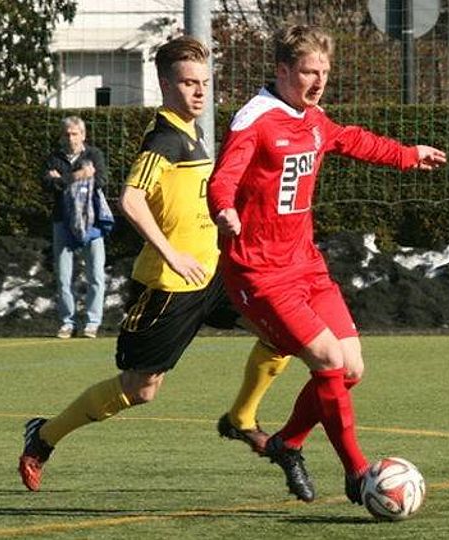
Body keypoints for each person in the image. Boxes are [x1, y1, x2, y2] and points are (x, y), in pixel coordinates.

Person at [17, 36, 288, 491]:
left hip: (216, 275)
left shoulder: (193, 131)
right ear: (166, 85)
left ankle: (242, 417)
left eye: (204, 82)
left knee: (281, 332)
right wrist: (172, 254)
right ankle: (44, 436)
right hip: (167, 287)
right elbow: (130, 199)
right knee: (141, 390)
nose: (199, 92)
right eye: (188, 83)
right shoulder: (164, 138)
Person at [207, 25, 447, 504]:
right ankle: (358, 472)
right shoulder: (254, 119)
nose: (317, 82)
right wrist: (223, 209)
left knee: (351, 368)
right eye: (307, 72)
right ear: (281, 71)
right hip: (258, 273)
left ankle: (287, 442)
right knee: (329, 361)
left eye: (324, 72)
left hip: (305, 267)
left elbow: (351, 140)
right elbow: (223, 177)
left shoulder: (312, 117)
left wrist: (406, 155)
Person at [43, 116, 110, 339]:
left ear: (83, 135)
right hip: (62, 220)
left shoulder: (94, 155)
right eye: (67, 134)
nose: (71, 138)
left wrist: (63, 179)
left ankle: (92, 322)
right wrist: (78, 175)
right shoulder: (54, 158)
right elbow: (48, 185)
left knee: (96, 274)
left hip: (91, 222)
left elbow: (101, 180)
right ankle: (67, 322)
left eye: (75, 133)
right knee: (63, 276)